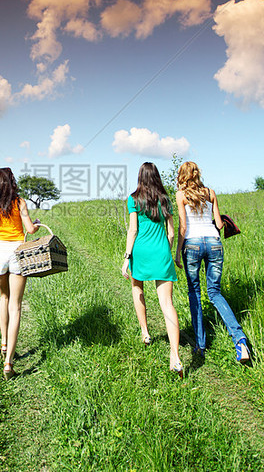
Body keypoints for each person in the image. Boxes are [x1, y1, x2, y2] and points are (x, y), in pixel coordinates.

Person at [174, 161, 250, 363]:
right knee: (215, 292)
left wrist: (177, 252)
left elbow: (183, 228)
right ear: (197, 174)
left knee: (194, 292)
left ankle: (200, 345)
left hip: (192, 245)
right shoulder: (211, 193)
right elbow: (218, 224)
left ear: (182, 175)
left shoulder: (181, 195)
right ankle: (240, 340)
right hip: (215, 244)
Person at [121, 162, 183, 377]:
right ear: (156, 177)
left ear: (140, 177)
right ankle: (174, 356)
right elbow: (172, 233)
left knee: (137, 288)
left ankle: (145, 332)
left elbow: (133, 230)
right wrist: (168, 251)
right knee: (167, 303)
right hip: (162, 252)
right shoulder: (165, 199)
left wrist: (127, 257)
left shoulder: (133, 199)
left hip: (141, 252)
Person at [0, 167, 39, 379]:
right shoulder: (19, 202)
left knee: (4, 297)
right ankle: (9, 362)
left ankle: (4, 344)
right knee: (16, 305)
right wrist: (37, 224)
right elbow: (30, 230)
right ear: (12, 182)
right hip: (17, 251)